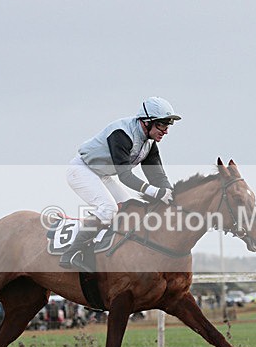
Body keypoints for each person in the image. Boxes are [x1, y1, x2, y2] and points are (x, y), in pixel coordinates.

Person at [59, 96, 181, 272]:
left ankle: (103, 250)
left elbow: (158, 178)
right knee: (108, 209)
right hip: (81, 170)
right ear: (146, 122)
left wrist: (171, 195)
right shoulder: (122, 134)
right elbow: (125, 176)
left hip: (101, 174)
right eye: (162, 124)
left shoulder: (149, 145)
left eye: (168, 125)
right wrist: (156, 193)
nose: (166, 131)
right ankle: (72, 252)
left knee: (128, 208)